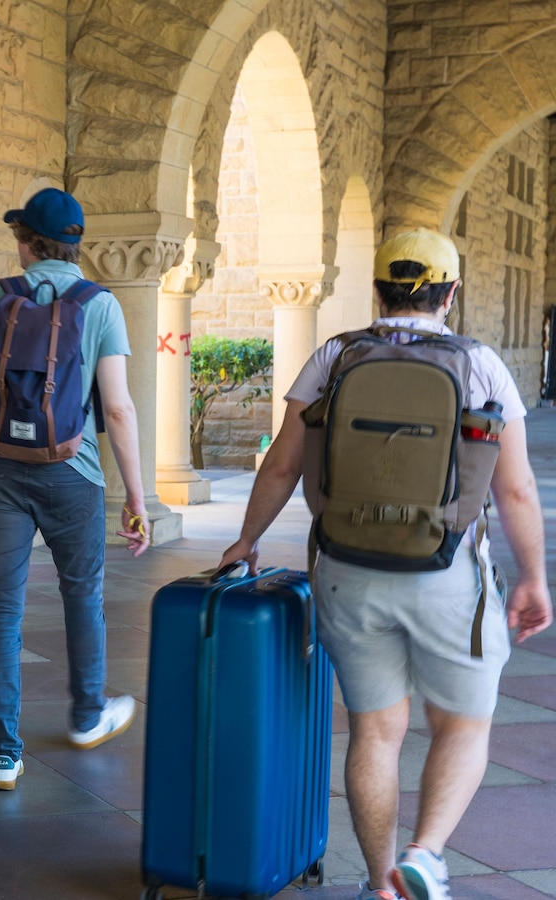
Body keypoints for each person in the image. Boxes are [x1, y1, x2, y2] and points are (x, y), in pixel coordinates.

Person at [217, 229, 552, 900]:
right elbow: (514, 489)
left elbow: (282, 464)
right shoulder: (480, 364)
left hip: (345, 569)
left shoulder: (334, 357)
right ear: (450, 293)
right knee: (462, 723)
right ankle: (424, 856)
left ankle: (380, 887)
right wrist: (534, 578)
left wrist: (245, 541)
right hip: (446, 574)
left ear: (377, 289)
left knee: (375, 729)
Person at [0, 188, 152, 792]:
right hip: (75, 471)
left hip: (1, 469)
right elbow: (116, 409)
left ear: (26, 243)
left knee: (2, 604)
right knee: (81, 595)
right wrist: (137, 499)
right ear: (74, 242)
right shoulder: (101, 305)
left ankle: (3, 753)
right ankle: (88, 714)